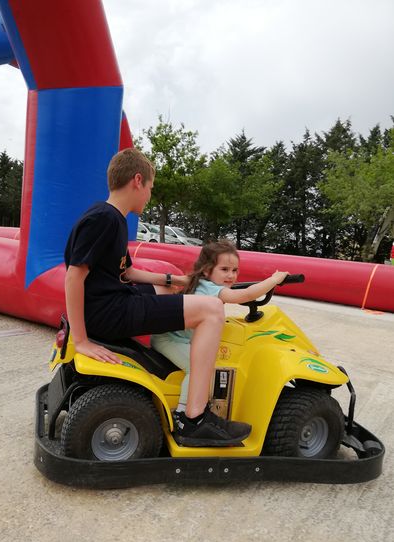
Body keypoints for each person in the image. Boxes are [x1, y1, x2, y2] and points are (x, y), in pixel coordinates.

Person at [64, 148, 250, 447]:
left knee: (168, 292)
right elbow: (74, 275)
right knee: (213, 309)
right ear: (138, 180)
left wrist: (172, 280)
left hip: (113, 302)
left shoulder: (112, 217)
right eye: (150, 188)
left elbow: (127, 273)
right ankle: (194, 418)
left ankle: (172, 351)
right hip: (109, 313)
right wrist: (82, 340)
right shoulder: (104, 219)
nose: (150, 195)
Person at [151, 240, 289, 426]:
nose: (231, 275)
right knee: (197, 369)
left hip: (172, 337)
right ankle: (183, 415)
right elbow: (245, 295)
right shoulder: (212, 289)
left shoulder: (197, 282)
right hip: (170, 340)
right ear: (207, 270)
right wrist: (274, 280)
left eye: (234, 270)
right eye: (224, 270)